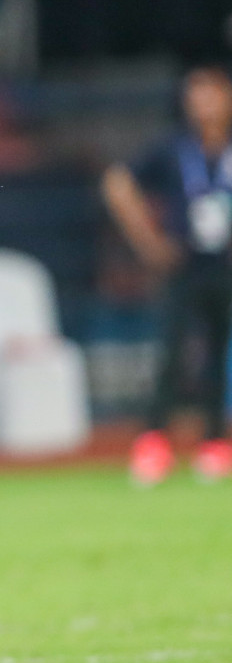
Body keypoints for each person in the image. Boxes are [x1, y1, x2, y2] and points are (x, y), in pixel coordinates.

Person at [105, 65, 232, 485]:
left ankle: (216, 442)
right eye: (195, 95)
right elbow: (119, 182)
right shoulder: (174, 148)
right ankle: (154, 440)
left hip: (226, 264)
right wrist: (149, 242)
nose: (203, 104)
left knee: (220, 353)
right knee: (173, 352)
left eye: (211, 94)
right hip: (186, 264)